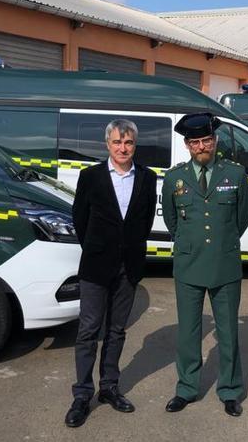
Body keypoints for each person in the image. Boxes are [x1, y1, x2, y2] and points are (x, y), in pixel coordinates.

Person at [65, 118, 157, 428]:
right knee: (88, 331)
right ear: (108, 144)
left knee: (117, 330)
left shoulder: (147, 177)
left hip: (128, 267)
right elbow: (80, 219)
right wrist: (98, 247)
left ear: (135, 145)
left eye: (128, 142)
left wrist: (128, 250)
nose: (123, 148)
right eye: (117, 142)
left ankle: (109, 387)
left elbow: (143, 222)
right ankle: (82, 395)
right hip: (95, 266)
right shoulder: (90, 177)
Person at [161, 112, 248, 417]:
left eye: (207, 140)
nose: (202, 146)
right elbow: (172, 222)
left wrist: (223, 243)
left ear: (215, 141)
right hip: (188, 266)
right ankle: (186, 388)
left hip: (224, 265)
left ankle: (229, 390)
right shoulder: (174, 178)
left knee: (228, 332)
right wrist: (192, 243)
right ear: (187, 145)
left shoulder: (235, 174)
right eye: (196, 142)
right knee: (188, 332)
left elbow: (242, 218)